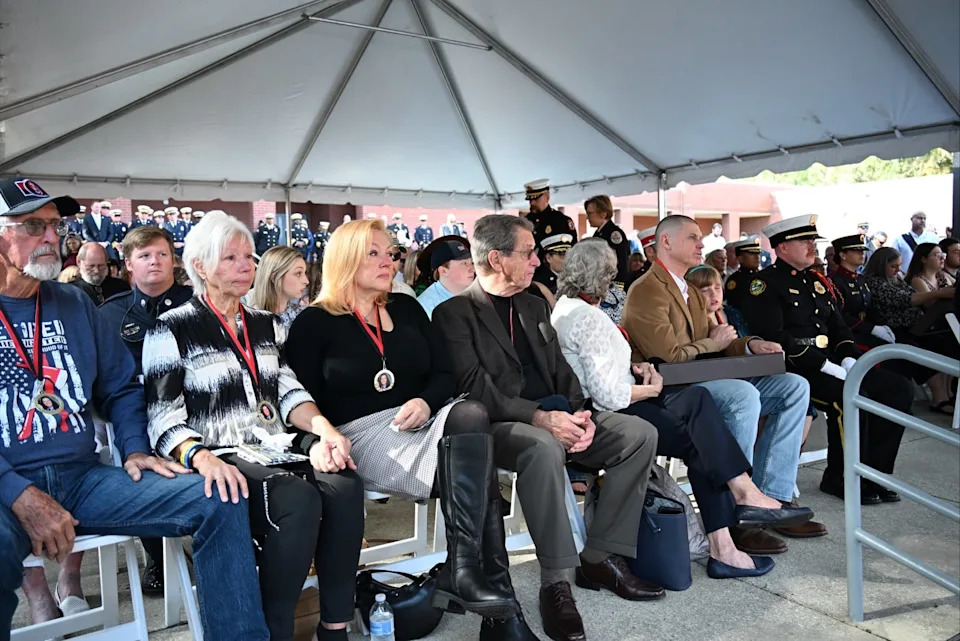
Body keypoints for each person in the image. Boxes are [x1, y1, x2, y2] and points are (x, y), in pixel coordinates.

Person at [0, 176, 271, 640]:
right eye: (33, 226)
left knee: (221, 495)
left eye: (54, 225)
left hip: (81, 477)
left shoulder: (73, 304)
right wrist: (16, 492)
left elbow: (122, 388)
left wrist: (132, 447)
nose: (50, 237)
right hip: (6, 489)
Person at [285, 219, 526, 640]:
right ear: (345, 259)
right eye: (373, 252)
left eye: (390, 252)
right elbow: (298, 403)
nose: (388, 260)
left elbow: (444, 373)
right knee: (475, 465)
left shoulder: (406, 307)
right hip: (360, 432)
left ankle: (467, 573)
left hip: (426, 417)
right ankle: (497, 606)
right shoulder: (313, 322)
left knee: (470, 415)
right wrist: (317, 440)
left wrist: (425, 401)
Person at [433, 214, 663, 641]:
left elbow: (562, 372)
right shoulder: (454, 313)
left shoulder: (535, 303)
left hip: (557, 417)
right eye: (528, 252)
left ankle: (601, 556)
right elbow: (473, 390)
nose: (538, 261)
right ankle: (555, 582)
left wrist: (582, 417)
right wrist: (541, 418)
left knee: (638, 434)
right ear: (498, 259)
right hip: (498, 428)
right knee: (543, 447)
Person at [143, 211, 364, 641]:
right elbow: (163, 418)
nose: (246, 266)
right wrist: (202, 457)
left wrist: (325, 430)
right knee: (296, 499)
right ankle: (274, 630)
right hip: (218, 452)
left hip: (272, 444)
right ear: (201, 267)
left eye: (249, 257)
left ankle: (334, 627)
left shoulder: (265, 322)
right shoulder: (170, 328)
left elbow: (288, 392)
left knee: (345, 484)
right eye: (230, 258)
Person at [552, 241, 814, 577]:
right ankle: (733, 525)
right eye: (610, 275)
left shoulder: (569, 308)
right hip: (612, 415)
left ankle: (733, 527)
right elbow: (608, 396)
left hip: (614, 401)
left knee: (700, 415)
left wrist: (640, 367)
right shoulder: (586, 316)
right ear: (602, 276)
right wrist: (652, 386)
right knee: (702, 427)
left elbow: (596, 371)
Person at [622, 215, 821, 553]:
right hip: (673, 391)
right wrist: (713, 345)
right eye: (693, 237)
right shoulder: (646, 290)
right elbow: (667, 356)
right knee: (741, 393)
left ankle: (771, 498)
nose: (702, 244)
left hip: (702, 379)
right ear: (666, 243)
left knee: (794, 387)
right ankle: (736, 513)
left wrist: (750, 343)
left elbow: (715, 339)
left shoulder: (687, 288)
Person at [741, 216, 913, 505]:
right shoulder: (764, 284)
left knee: (898, 390)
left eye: (813, 241)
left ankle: (876, 475)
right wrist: (822, 365)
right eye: (804, 241)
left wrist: (847, 357)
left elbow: (839, 328)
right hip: (795, 366)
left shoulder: (817, 283)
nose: (812, 247)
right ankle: (841, 477)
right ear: (782, 247)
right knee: (849, 398)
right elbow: (774, 336)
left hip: (832, 360)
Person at [97, 225, 193, 594]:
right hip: (137, 414)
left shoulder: (196, 303)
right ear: (128, 266)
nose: (155, 261)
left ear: (174, 261)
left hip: (194, 410)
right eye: (144, 255)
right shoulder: (109, 315)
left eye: (162, 254)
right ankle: (158, 555)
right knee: (133, 462)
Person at [862, 247, 957, 415]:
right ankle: (939, 397)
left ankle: (947, 393)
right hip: (893, 329)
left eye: (899, 265)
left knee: (942, 342)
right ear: (880, 265)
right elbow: (905, 299)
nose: (898, 270)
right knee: (923, 348)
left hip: (914, 326)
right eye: (893, 266)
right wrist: (940, 293)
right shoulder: (874, 282)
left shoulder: (896, 278)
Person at [828, 234, 896, 348]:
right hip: (848, 337)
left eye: (863, 250)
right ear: (843, 255)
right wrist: (872, 329)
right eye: (856, 250)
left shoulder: (861, 279)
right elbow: (839, 315)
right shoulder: (833, 281)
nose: (862, 253)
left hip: (865, 332)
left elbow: (870, 307)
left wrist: (882, 325)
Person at [245, 245, 309, 331]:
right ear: (275, 277)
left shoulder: (303, 317)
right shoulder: (247, 317)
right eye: (298, 273)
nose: (306, 281)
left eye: (304, 273)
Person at [417, 238, 475, 319]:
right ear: (443, 271)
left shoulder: (477, 296)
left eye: (472, 263)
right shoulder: (426, 306)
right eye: (464, 263)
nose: (472, 269)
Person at [584, 195, 629, 287]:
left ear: (603, 214)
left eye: (590, 214)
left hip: (611, 285)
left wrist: (617, 286)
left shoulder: (614, 234)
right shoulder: (598, 233)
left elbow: (621, 263)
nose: (587, 218)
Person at [524, 179, 577, 251]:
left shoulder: (560, 220)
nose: (532, 203)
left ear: (547, 197)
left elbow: (571, 249)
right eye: (530, 200)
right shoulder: (525, 221)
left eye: (536, 199)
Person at [723, 239, 762, 310]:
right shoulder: (735, 280)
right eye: (752, 254)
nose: (757, 257)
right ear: (741, 259)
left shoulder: (764, 275)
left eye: (758, 253)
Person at [530, 233, 572, 300]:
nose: (567, 259)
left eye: (569, 254)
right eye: (562, 255)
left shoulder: (574, 278)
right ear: (548, 258)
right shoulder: (541, 282)